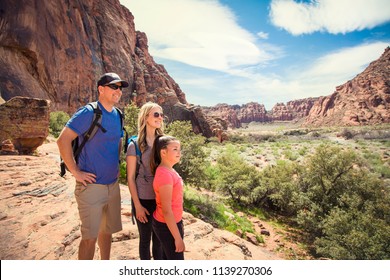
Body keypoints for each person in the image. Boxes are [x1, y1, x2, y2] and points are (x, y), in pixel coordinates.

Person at [57, 72, 128, 260]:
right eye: (114, 86)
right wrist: (75, 172)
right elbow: (62, 140)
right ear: (101, 89)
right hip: (91, 187)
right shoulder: (89, 112)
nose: (118, 91)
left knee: (107, 232)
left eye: (120, 88)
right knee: (89, 237)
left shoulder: (118, 115)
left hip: (112, 186)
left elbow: (118, 142)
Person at [126, 102, 164, 260]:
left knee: (159, 241)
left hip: (161, 199)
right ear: (146, 117)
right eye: (156, 114)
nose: (160, 118)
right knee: (145, 240)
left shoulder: (163, 142)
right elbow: (130, 178)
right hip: (143, 199)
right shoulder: (134, 145)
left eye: (161, 115)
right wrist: (138, 206)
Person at [150, 135, 185, 260]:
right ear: (163, 152)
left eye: (179, 149)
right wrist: (177, 238)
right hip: (167, 226)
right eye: (175, 149)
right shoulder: (164, 175)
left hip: (171, 224)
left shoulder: (169, 170)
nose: (179, 152)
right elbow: (166, 210)